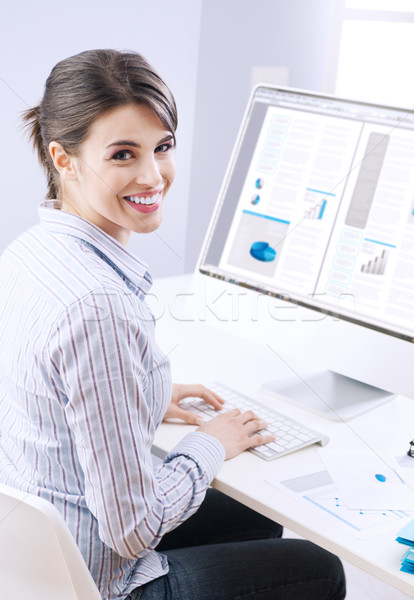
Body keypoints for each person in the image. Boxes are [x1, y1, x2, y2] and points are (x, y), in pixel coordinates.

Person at [0, 49, 346, 600]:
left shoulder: (29, 254)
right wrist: (210, 442)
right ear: (62, 158)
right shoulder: (99, 306)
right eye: (122, 154)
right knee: (318, 565)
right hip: (99, 580)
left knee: (247, 516)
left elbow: (45, 394)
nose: (152, 175)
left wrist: (139, 393)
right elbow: (132, 531)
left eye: (162, 148)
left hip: (30, 563)